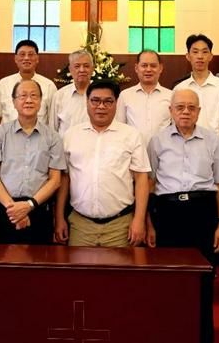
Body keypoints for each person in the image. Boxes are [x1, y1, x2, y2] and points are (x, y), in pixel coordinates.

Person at [146, 88, 219, 343]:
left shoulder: (212, 140)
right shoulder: (156, 141)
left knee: (203, 282)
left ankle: (203, 338)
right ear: (171, 110)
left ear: (199, 111)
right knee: (168, 282)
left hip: (203, 213)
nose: (185, 112)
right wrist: (150, 223)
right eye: (180, 107)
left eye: (191, 108)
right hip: (168, 214)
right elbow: (148, 184)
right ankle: (168, 336)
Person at [55, 79, 150, 248]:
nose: (101, 106)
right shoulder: (71, 135)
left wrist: (139, 220)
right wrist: (59, 217)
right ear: (87, 102)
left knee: (118, 274)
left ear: (116, 103)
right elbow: (64, 179)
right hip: (80, 225)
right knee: (81, 273)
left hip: (120, 226)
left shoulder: (131, 135)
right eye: (95, 100)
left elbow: (141, 179)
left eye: (108, 101)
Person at [0, 79, 63, 244]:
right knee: (1, 265)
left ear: (41, 101)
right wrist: (14, 210)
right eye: (23, 96)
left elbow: (55, 180)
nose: (28, 100)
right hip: (3, 208)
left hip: (38, 209)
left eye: (34, 96)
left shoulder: (53, 137)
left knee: (38, 264)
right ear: (13, 102)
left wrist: (29, 206)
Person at [173, 34, 219, 152]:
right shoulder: (179, 88)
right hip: (184, 147)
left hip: (214, 147)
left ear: (211, 56)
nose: (200, 56)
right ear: (188, 56)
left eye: (204, 52)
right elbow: (175, 121)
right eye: (195, 52)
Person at [0, 39, 57, 126]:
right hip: (8, 138)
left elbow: (52, 119)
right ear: (15, 59)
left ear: (37, 59)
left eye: (30, 54)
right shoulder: (3, 84)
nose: (26, 58)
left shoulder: (49, 86)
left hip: (39, 138)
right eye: (22, 54)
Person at [115, 49, 172, 146]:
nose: (148, 69)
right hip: (133, 151)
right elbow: (119, 126)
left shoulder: (171, 96)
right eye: (144, 65)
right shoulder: (125, 95)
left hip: (164, 153)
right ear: (136, 68)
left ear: (160, 68)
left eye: (153, 66)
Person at [49, 49, 94, 136]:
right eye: (77, 66)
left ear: (92, 69)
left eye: (86, 66)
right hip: (65, 148)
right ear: (70, 69)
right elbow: (52, 129)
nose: (82, 70)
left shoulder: (100, 95)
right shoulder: (59, 95)